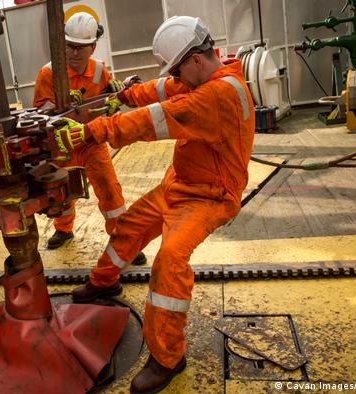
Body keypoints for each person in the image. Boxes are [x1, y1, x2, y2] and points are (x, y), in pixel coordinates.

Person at [57, 16, 255, 393]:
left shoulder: (218, 96)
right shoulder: (209, 74)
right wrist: (125, 93)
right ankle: (102, 284)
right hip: (181, 183)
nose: (176, 78)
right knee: (130, 226)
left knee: (169, 262)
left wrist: (89, 131)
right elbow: (161, 89)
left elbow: (150, 121)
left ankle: (167, 358)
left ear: (195, 59)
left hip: (210, 196)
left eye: (180, 68)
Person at [33, 12, 146, 266]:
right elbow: (39, 112)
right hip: (62, 143)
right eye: (69, 46)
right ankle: (64, 228)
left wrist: (115, 93)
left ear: (93, 47)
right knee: (62, 189)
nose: (74, 53)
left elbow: (107, 105)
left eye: (80, 48)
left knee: (109, 189)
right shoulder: (49, 74)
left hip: (91, 140)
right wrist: (60, 103)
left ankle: (122, 241)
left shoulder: (99, 70)